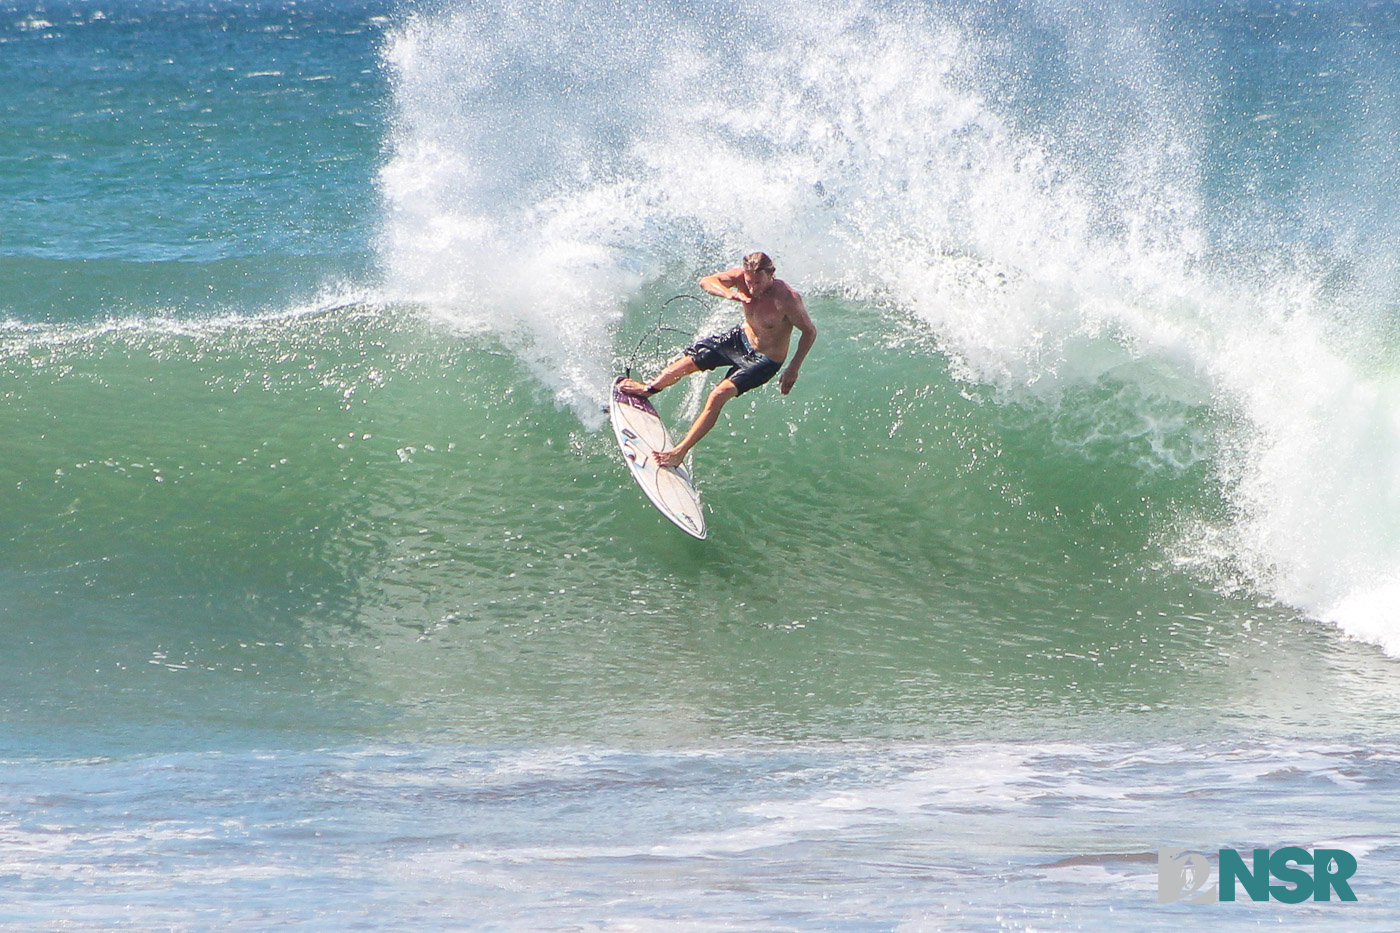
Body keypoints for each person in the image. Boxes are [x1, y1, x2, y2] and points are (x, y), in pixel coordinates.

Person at [619, 252, 817, 468]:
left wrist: (793, 368)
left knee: (718, 395)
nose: (752, 288)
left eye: (758, 282)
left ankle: (679, 452)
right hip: (740, 339)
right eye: (749, 282)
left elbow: (809, 332)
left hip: (765, 359)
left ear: (771, 274)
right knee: (687, 362)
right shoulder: (742, 279)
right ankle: (650, 388)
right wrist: (729, 294)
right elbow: (706, 281)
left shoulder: (787, 298)